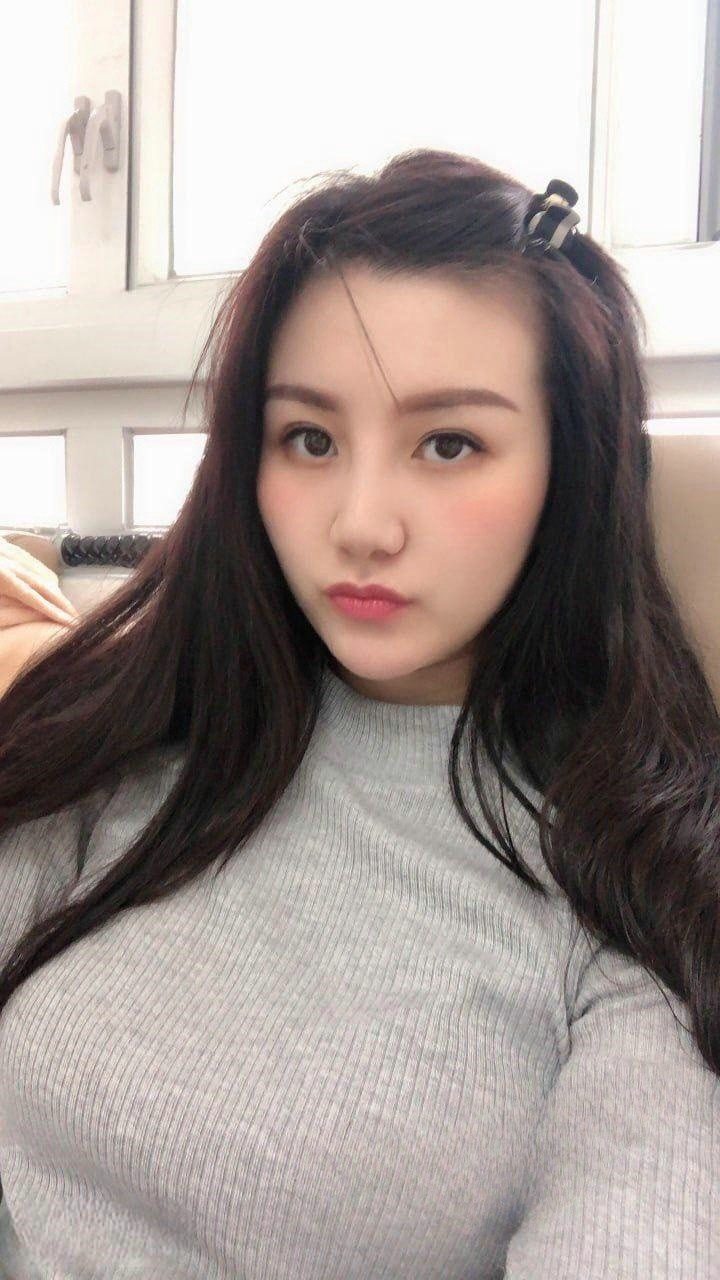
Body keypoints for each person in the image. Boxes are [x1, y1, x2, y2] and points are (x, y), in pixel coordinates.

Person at [0, 151, 717, 1279]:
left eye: (450, 443)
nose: (362, 525)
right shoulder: (132, 737)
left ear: (571, 470)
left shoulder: (634, 877)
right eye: (311, 438)